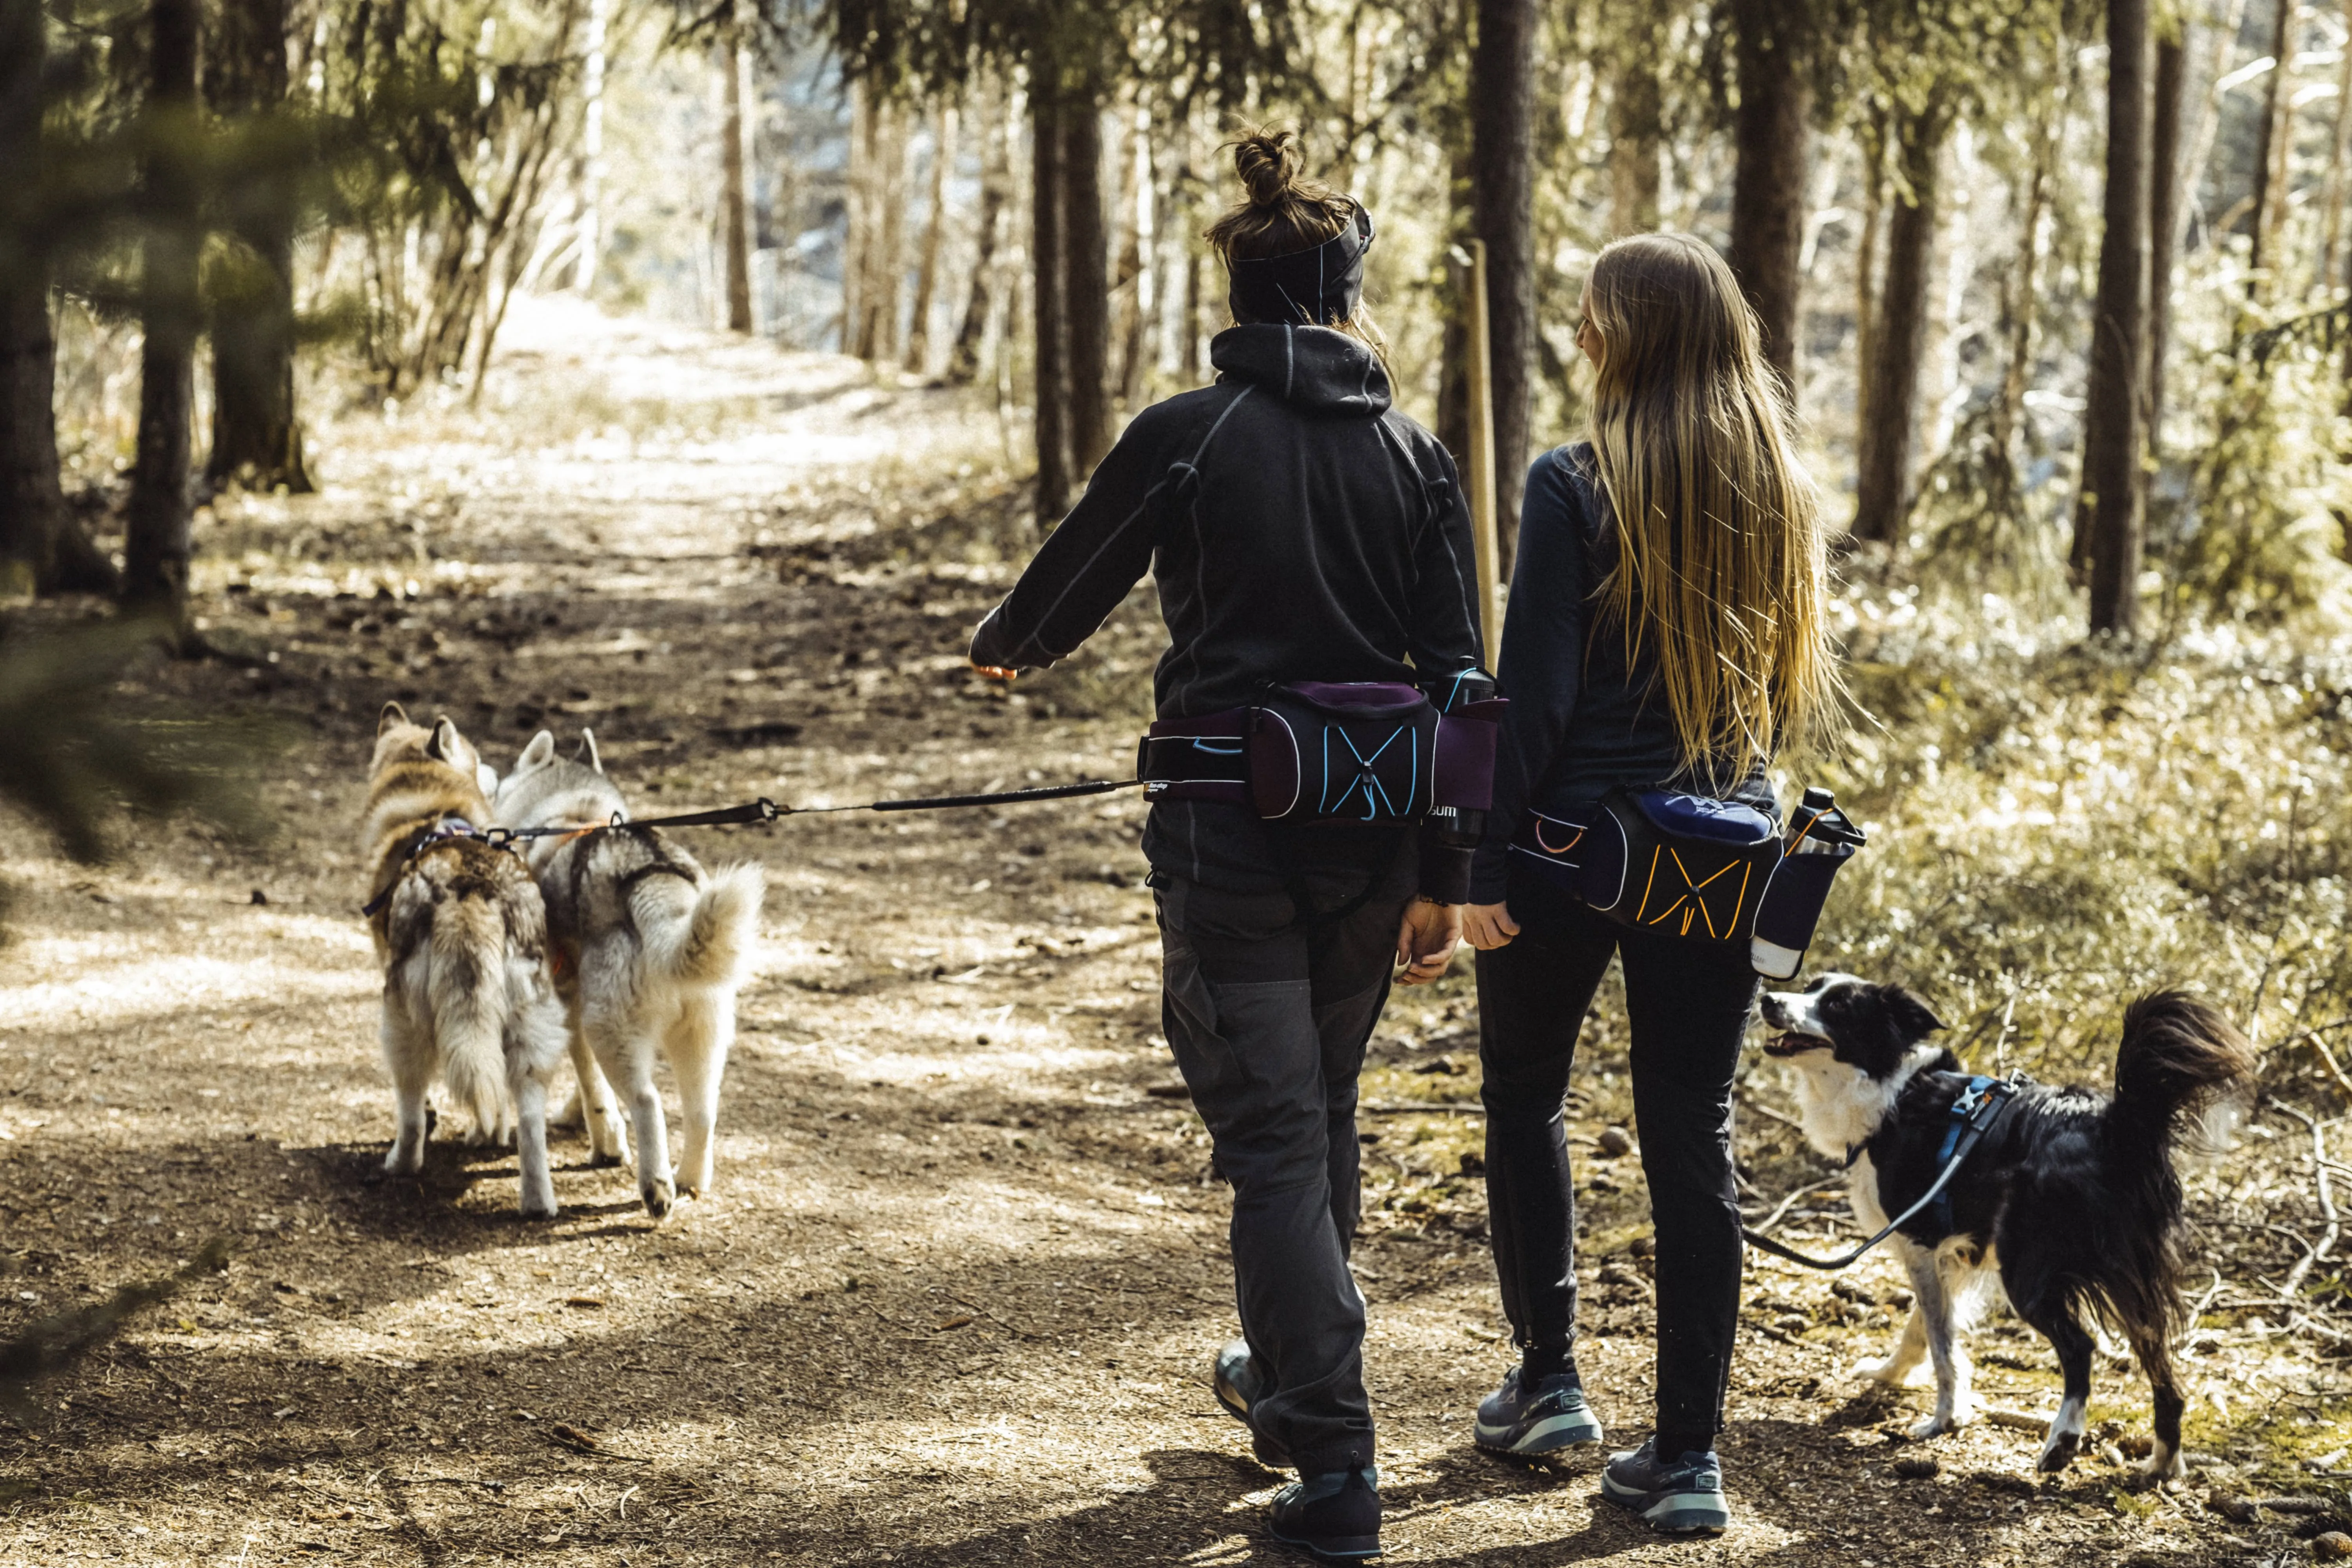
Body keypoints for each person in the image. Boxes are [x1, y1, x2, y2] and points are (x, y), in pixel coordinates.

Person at [969, 128, 1484, 1563]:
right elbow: (1460, 680)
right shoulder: (1415, 452)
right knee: (1312, 1116)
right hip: (1376, 843)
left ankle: (1333, 1464)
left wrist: (1008, 648)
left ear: (1242, 296)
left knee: (1271, 1136)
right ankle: (1288, 1381)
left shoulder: (1186, 433)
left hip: (1226, 840)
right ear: (1343, 298)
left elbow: (1071, 576)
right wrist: (1449, 873)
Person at [1460, 233, 1839, 1537]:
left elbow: (1537, 698)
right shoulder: (1779, 484)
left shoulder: (1573, 483)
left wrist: (1479, 856)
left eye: (1589, 321)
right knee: (1691, 1137)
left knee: (1524, 1094)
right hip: (1717, 861)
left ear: (1629, 336)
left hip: (1567, 852)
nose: (1577, 340)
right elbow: (1777, 705)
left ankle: (1551, 1381)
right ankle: (1687, 1458)